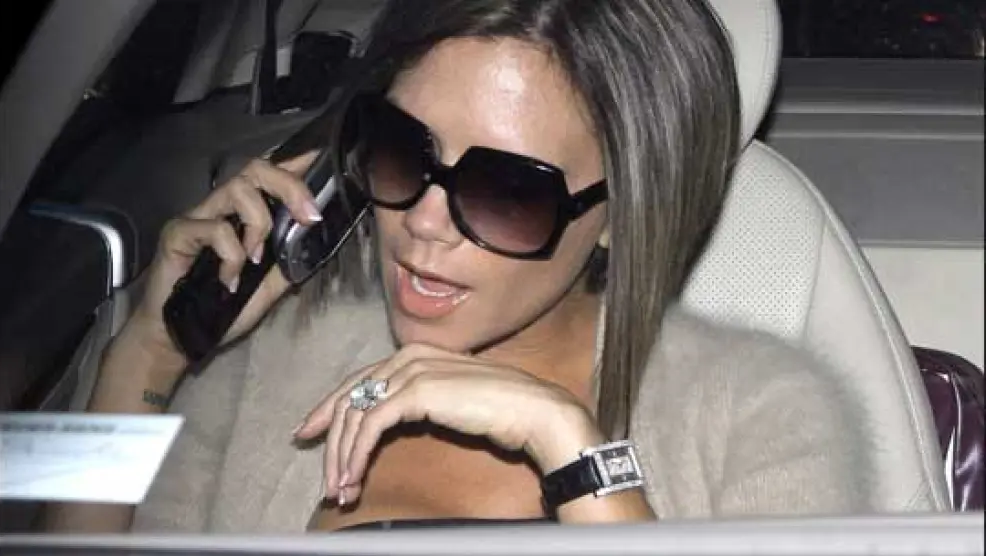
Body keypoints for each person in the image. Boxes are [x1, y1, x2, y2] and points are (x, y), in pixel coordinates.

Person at [45, 0, 871, 533]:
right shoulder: (271, 362)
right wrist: (148, 355)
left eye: (506, 190)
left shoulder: (761, 411)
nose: (423, 222)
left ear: (620, 217)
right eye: (401, 151)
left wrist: (573, 452)